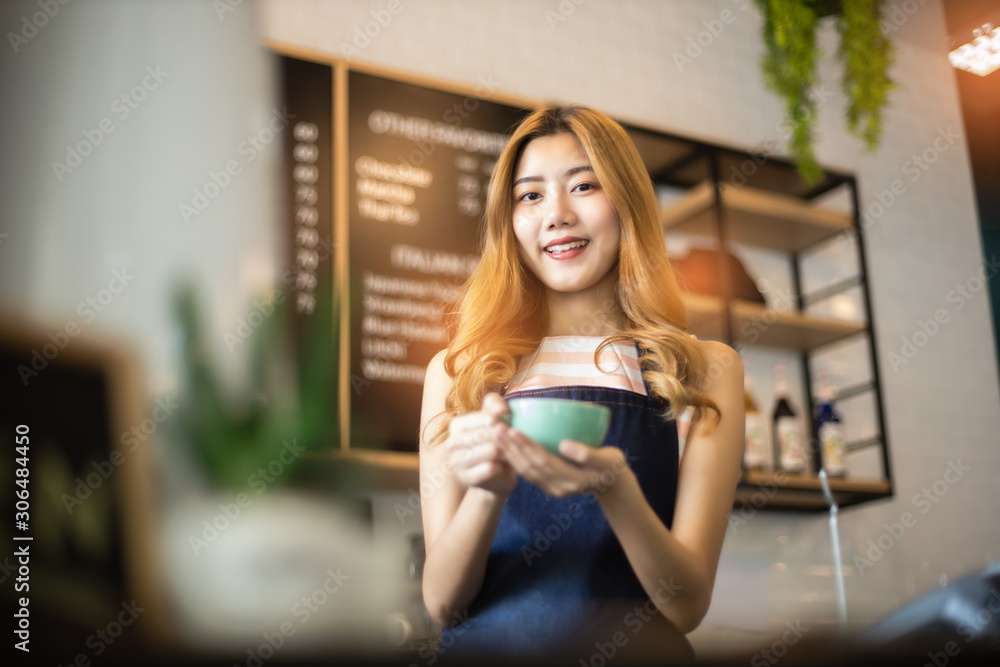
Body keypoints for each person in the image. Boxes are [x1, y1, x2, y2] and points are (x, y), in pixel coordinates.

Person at [417, 104, 744, 664]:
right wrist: (487, 495)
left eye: (584, 185)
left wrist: (617, 489)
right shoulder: (459, 372)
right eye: (530, 195)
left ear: (627, 203)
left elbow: (686, 606)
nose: (556, 214)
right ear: (510, 222)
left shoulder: (705, 369)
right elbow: (442, 603)